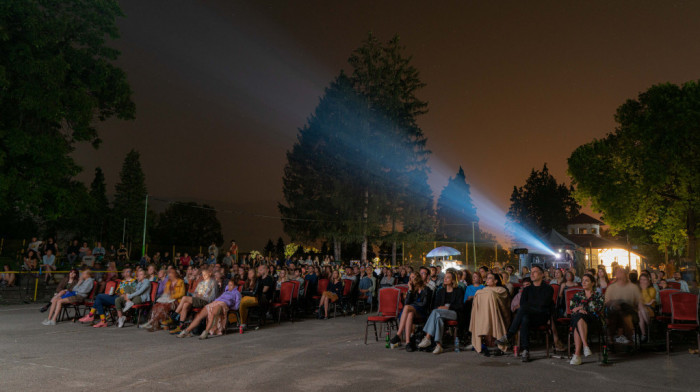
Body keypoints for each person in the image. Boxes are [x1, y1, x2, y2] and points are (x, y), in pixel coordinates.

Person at [496, 265, 557, 362]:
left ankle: (509, 335)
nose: (532, 274)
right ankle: (525, 350)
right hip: (529, 316)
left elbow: (543, 304)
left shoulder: (548, 288)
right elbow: (524, 304)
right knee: (525, 319)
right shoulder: (527, 289)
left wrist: (530, 305)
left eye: (535, 272)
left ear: (541, 275)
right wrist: (532, 305)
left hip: (542, 316)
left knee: (524, 310)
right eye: (531, 272)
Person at [417, 271, 464, 354]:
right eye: (445, 277)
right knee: (438, 318)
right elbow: (436, 305)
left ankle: (427, 337)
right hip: (440, 313)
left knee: (436, 312)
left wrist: (448, 307)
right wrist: (441, 308)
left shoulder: (458, 291)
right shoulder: (441, 291)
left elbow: (460, 306)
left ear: (453, 280)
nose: (445, 279)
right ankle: (439, 345)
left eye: (448, 277)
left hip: (453, 313)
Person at [177, 279, 242, 339]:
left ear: (235, 286)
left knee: (213, 313)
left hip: (223, 304)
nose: (229, 286)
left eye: (231, 285)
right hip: (215, 302)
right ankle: (187, 331)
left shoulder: (237, 293)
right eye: (228, 284)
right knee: (199, 315)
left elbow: (236, 306)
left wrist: (229, 307)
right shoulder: (225, 292)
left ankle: (205, 332)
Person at [469, 272, 511, 354]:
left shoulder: (501, 290)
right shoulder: (482, 291)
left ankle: (500, 343)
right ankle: (482, 343)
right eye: (487, 278)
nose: (487, 280)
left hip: (497, 315)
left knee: (490, 294)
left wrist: (490, 295)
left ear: (495, 281)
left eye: (490, 278)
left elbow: (504, 305)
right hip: (482, 315)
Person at [568, 273, 604, 365]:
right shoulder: (577, 295)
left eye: (586, 281)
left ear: (592, 283)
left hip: (593, 321)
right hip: (580, 320)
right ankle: (585, 346)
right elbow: (572, 308)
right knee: (579, 318)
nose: (583, 282)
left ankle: (577, 355)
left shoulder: (598, 295)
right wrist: (580, 310)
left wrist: (580, 308)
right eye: (582, 280)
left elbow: (597, 309)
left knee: (578, 320)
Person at [170, 268, 217, 334]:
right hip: (197, 299)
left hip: (205, 300)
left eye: (205, 274)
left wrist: (201, 296)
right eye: (203, 275)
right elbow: (195, 292)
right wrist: (197, 295)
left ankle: (174, 316)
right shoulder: (201, 283)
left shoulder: (213, 283)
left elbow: (213, 297)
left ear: (209, 274)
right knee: (185, 304)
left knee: (184, 298)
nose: (204, 276)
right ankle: (180, 326)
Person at [390, 272, 430, 351]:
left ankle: (399, 334)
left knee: (408, 308)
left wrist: (413, 305)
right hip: (413, 311)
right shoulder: (412, 290)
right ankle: (408, 343)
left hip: (422, 312)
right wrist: (410, 290)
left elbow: (424, 304)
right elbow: (406, 302)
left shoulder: (426, 289)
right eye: (411, 278)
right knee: (410, 314)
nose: (412, 279)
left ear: (418, 278)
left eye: (414, 277)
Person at [605, 267, 642, 344]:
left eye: (622, 272)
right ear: (616, 275)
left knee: (623, 310)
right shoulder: (611, 288)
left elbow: (639, 301)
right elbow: (607, 302)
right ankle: (626, 335)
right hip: (615, 311)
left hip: (629, 310)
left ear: (626, 275)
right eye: (619, 272)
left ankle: (619, 335)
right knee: (618, 310)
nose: (621, 274)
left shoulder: (633, 287)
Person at [637, 273, 656, 342]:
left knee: (640, 310)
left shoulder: (652, 289)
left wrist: (644, 289)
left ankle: (644, 334)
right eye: (641, 279)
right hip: (640, 309)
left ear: (648, 281)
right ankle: (649, 326)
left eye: (644, 280)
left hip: (649, 308)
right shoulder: (637, 289)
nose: (642, 281)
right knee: (639, 311)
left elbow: (649, 300)